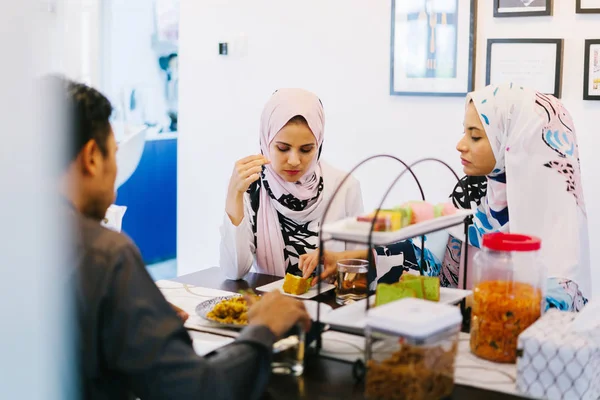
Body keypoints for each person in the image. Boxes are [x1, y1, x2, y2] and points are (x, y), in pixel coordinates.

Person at [56, 76, 311, 400]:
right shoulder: (105, 254)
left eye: (306, 149)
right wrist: (263, 330)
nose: (293, 160)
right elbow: (198, 390)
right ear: (93, 157)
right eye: (115, 153)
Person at [302, 83, 592, 311]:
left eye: (475, 136)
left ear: (514, 144)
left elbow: (559, 304)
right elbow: (425, 255)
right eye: (464, 133)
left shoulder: (555, 221)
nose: (460, 145)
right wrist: (346, 258)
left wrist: (471, 304)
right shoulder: (474, 191)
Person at [220, 88, 365, 280]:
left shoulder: (344, 188)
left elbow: (361, 266)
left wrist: (338, 260)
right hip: (272, 305)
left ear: (319, 145)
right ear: (265, 142)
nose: (294, 160)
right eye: (282, 148)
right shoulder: (252, 188)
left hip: (329, 306)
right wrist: (233, 194)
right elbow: (233, 273)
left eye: (306, 150)